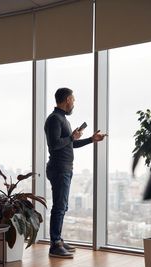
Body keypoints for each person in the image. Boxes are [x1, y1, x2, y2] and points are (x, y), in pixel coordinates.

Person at [45, 87, 107, 258]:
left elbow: (69, 144)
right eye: (73, 99)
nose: (74, 103)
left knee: (62, 206)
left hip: (64, 169)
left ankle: (58, 240)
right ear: (67, 100)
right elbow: (54, 145)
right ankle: (55, 244)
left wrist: (90, 139)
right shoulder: (54, 119)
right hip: (58, 169)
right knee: (59, 207)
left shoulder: (62, 119)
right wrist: (72, 137)